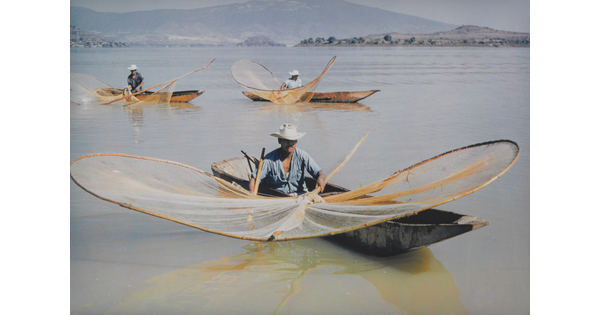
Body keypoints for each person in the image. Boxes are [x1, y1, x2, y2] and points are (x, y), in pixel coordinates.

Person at [249, 124, 325, 196]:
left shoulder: (302, 155)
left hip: (300, 194)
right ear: (279, 141)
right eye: (287, 140)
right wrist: (252, 194)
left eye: (293, 140)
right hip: (277, 196)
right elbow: (254, 179)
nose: (290, 143)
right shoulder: (269, 159)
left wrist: (320, 178)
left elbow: (320, 173)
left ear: (296, 141)